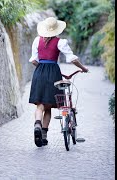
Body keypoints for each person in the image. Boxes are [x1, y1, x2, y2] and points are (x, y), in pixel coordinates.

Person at [28, 17, 89, 147]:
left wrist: (42, 69)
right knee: (49, 107)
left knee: (40, 105)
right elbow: (72, 58)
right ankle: (43, 136)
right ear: (56, 30)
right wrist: (83, 68)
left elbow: (33, 60)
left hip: (39, 72)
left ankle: (37, 125)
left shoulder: (37, 40)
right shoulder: (60, 42)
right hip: (54, 74)